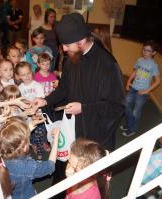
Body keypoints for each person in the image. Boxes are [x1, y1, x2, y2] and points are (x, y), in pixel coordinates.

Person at [34, 12, 125, 151]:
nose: (63, 49)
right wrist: (46, 100)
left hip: (95, 136)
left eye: (66, 45)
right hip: (73, 128)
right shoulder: (72, 58)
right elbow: (64, 88)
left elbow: (116, 106)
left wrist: (83, 108)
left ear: (81, 41)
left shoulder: (108, 65)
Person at [0, 116, 60, 199]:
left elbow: (16, 141)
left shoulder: (1, 151)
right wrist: (56, 139)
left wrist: (29, 126)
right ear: (24, 146)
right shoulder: (27, 167)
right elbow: (50, 166)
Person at [121, 41, 160, 137]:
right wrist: (128, 81)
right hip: (133, 88)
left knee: (135, 111)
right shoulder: (139, 60)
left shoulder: (154, 65)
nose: (145, 52)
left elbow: (158, 80)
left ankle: (131, 129)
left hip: (142, 92)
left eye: (148, 51)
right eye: (144, 49)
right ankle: (128, 124)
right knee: (126, 106)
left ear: (153, 53)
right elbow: (135, 71)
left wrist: (146, 91)